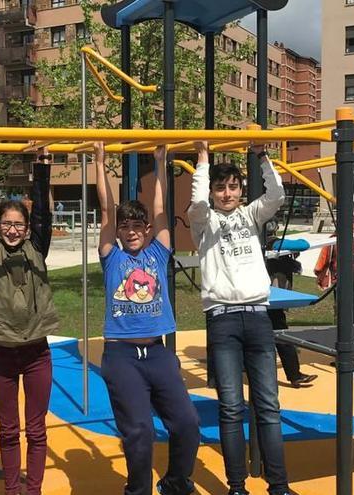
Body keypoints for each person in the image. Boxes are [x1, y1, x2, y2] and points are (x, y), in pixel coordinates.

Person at [95, 142, 200, 495]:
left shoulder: (158, 251)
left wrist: (160, 162)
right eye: (126, 226)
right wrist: (99, 161)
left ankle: (174, 482)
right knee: (139, 431)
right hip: (122, 356)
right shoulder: (112, 258)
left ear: (147, 229)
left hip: (158, 353)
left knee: (187, 423)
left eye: (138, 225)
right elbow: (106, 210)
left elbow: (160, 209)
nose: (132, 230)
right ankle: (137, 491)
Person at [187, 142, 291, 495]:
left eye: (233, 186)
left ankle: (278, 485)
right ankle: (237, 486)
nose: (227, 193)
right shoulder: (204, 222)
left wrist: (263, 157)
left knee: (268, 405)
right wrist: (202, 160)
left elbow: (276, 195)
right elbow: (198, 204)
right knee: (231, 406)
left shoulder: (250, 216)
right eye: (221, 187)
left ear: (241, 190)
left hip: (258, 316)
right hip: (223, 319)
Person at [0, 141, 60, 495]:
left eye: (18, 224)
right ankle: (12, 489)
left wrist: (42, 167)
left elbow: (42, 216)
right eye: (6, 224)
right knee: (8, 431)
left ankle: (33, 489)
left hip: (37, 352)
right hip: (4, 353)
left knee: (36, 430)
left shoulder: (37, 247)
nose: (12, 230)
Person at [264, 236, 317, 388]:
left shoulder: (264, 244)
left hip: (268, 300)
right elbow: (304, 244)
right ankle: (294, 375)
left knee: (278, 338)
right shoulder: (273, 243)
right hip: (270, 300)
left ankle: (294, 375)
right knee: (281, 337)